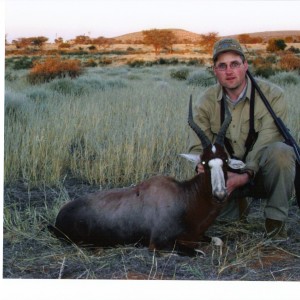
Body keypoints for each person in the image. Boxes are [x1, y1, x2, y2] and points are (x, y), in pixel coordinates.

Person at [188, 38, 296, 241]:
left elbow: (268, 139)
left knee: (282, 153)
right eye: (222, 66)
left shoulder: (273, 96)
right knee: (227, 227)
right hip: (225, 178)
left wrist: (245, 175)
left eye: (235, 64)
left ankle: (275, 223)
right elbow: (198, 146)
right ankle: (237, 208)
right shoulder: (205, 101)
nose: (229, 71)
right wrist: (202, 166)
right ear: (214, 70)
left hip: (261, 174)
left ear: (245, 66)